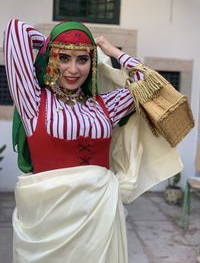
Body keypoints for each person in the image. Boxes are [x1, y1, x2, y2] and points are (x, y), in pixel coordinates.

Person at [4, 18, 183, 263]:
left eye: (82, 59)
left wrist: (113, 51)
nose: (73, 69)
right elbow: (15, 29)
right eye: (63, 57)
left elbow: (151, 86)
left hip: (100, 219)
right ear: (51, 58)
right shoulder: (33, 102)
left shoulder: (105, 105)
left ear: (93, 62)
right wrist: (51, 42)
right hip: (47, 225)